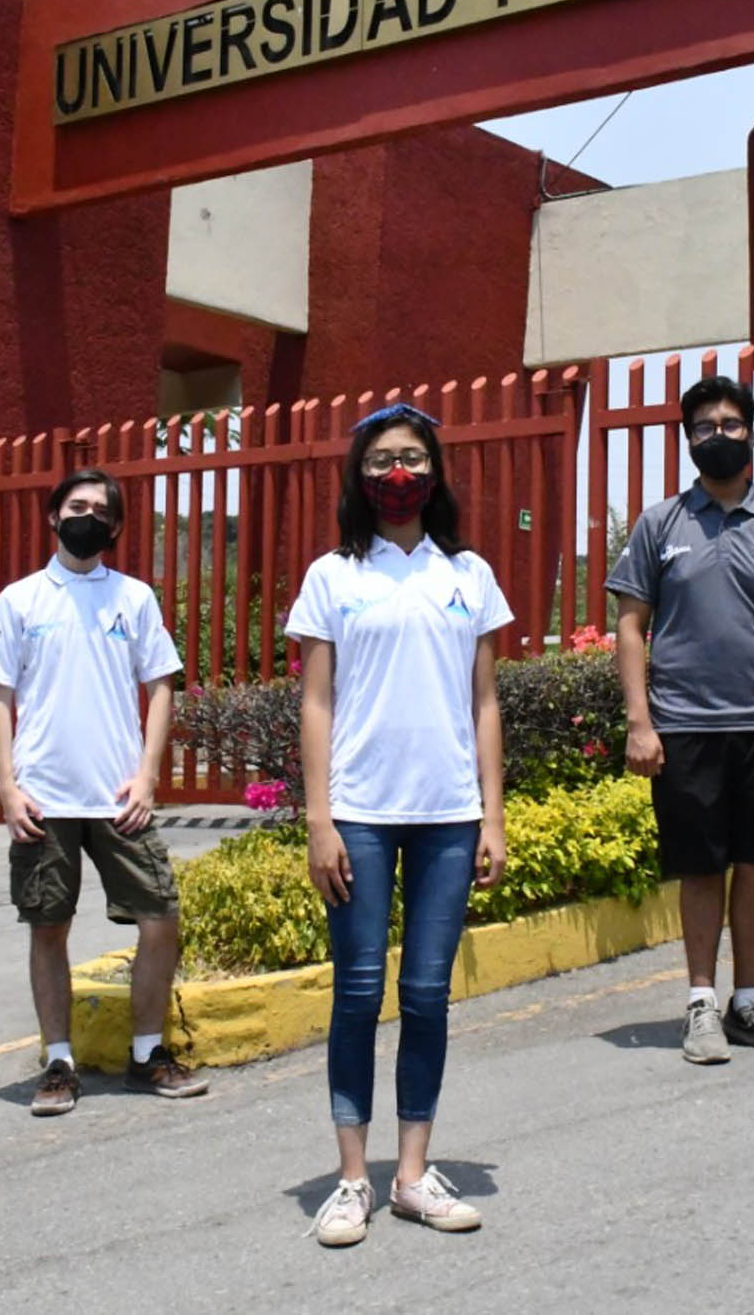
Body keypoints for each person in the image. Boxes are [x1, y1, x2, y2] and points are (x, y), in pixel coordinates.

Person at [289, 403, 512, 1247]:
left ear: (435, 471)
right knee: (356, 993)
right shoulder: (334, 576)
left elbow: (484, 701)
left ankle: (412, 1175)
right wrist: (320, 818)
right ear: (358, 475)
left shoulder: (469, 576)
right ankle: (353, 1181)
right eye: (380, 459)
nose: (397, 473)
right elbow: (315, 701)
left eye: (412, 458)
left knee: (425, 995)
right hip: (362, 815)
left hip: (450, 815)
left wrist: (493, 813)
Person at [605, 376, 754, 1065]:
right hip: (684, 727)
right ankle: (702, 1005)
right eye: (704, 425)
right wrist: (639, 722)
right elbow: (630, 625)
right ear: (689, 439)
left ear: (751, 433)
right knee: (700, 866)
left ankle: (750, 1002)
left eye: (730, 423)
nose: (718, 433)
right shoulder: (659, 526)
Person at [0, 467, 207, 1116]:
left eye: (100, 509)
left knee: (161, 918)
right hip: (43, 798)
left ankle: (146, 1054)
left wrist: (149, 773)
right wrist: (6, 786)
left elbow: (162, 683)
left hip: (118, 796)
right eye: (75, 505)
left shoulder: (133, 599)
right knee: (49, 926)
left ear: (116, 527)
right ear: (53, 518)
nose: (87, 516)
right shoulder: (20, 600)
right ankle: (58, 1062)